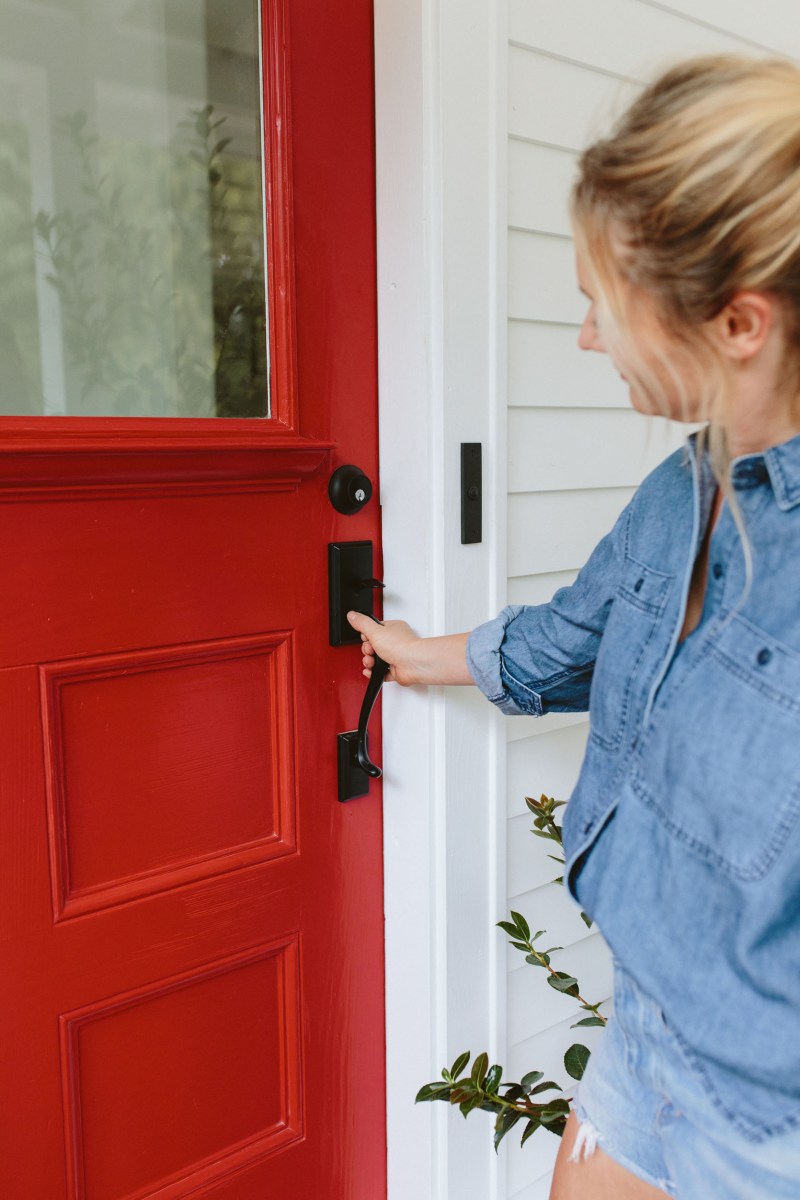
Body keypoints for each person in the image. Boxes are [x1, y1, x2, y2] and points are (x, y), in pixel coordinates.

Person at [348, 55, 800, 1199]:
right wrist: (420, 655)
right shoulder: (682, 489)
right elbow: (585, 632)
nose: (589, 337)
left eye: (606, 303)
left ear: (735, 323)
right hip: (645, 1037)